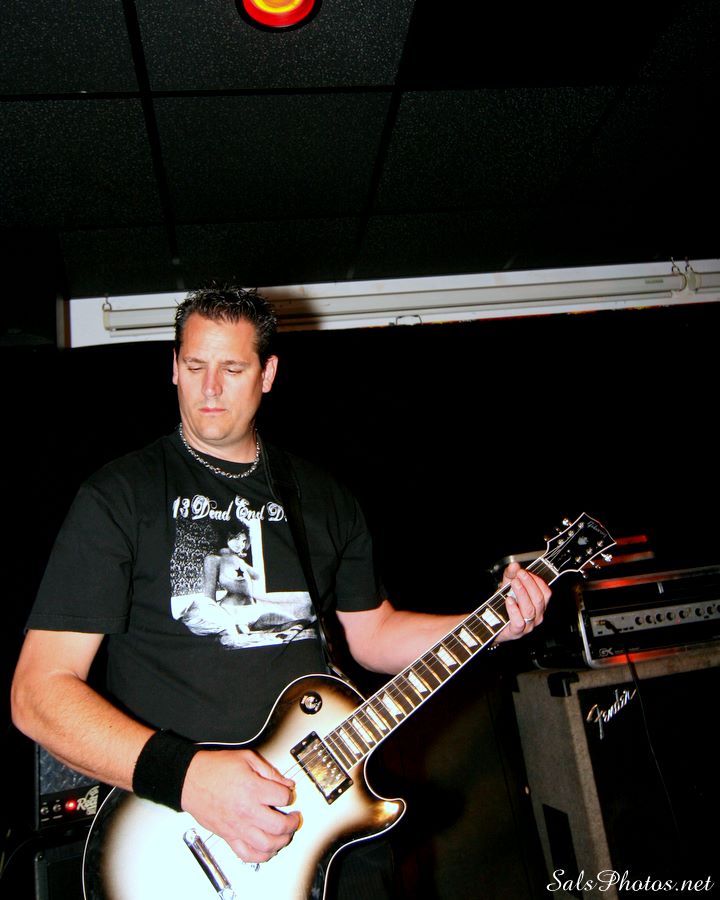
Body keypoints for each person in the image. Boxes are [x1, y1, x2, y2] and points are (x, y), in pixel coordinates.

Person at [11, 287, 551, 898]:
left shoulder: (323, 499)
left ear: (268, 374)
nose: (210, 387)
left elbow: (373, 633)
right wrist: (188, 778)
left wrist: (491, 622)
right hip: (183, 835)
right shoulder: (119, 496)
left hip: (333, 829)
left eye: (232, 368)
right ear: (173, 367)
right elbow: (38, 693)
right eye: (195, 365)